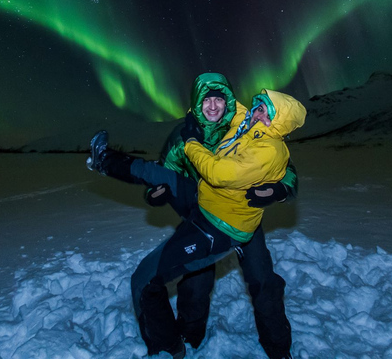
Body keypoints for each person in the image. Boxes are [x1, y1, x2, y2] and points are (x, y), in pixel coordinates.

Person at [88, 88, 306, 359]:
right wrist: (155, 194)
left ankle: (278, 349)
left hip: (235, 220)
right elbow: (163, 170)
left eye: (218, 100)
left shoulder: (245, 131)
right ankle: (105, 160)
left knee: (264, 283)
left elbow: (279, 166)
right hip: (203, 202)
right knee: (195, 281)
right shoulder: (211, 128)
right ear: (196, 104)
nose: (213, 106)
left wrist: (281, 189)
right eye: (206, 100)